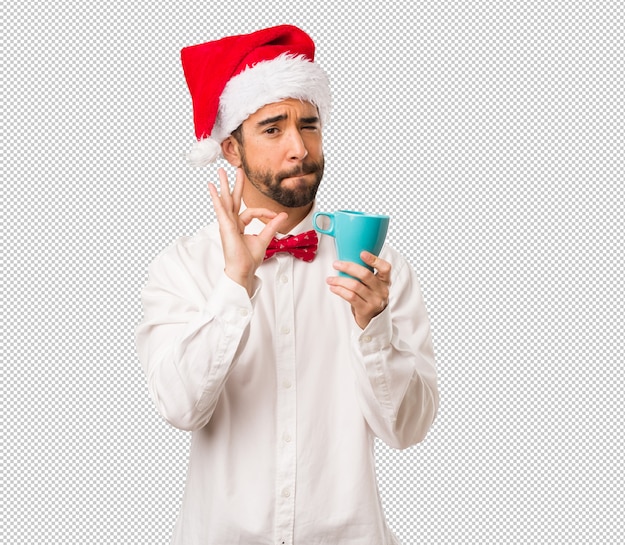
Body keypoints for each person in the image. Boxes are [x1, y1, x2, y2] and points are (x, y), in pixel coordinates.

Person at [135, 25, 438, 545]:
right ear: (231, 149)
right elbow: (180, 407)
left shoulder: (379, 268)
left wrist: (374, 331)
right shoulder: (183, 265)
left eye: (310, 125)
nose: (299, 147)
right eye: (272, 129)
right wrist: (234, 285)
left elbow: (406, 430)